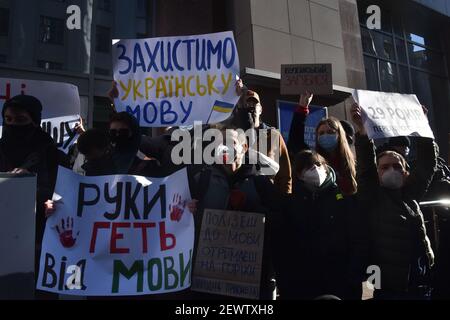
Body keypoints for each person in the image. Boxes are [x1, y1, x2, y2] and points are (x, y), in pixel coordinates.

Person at [351, 103, 436, 300]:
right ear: (377, 173)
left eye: (397, 166)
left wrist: (423, 128)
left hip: (416, 284)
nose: (391, 170)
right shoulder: (371, 196)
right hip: (380, 285)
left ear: (406, 173)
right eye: (385, 167)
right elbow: (365, 168)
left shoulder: (410, 196)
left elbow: (427, 165)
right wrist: (362, 132)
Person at [188, 128, 281, 299]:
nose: (224, 147)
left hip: (250, 281)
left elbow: (279, 221)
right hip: (208, 280)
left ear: (244, 148)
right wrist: (188, 210)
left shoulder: (261, 183)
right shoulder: (202, 179)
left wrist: (249, 205)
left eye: (231, 143)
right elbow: (183, 220)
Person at [273, 150, 367, 300]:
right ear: (298, 174)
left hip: (338, 282)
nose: (315, 169)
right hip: (300, 284)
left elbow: (357, 239)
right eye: (307, 167)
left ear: (326, 167)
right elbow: (283, 244)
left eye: (318, 164)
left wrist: (353, 277)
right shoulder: (290, 202)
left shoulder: (342, 198)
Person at [288, 92, 357, 196]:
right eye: (321, 133)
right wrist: (302, 108)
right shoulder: (313, 160)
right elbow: (295, 140)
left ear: (340, 136)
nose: (325, 135)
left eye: (330, 132)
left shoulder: (352, 165)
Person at [230, 86, 292, 194]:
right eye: (247, 104)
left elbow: (285, 175)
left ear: (261, 109)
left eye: (255, 104)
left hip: (267, 198)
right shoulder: (232, 135)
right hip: (238, 197)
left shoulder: (273, 136)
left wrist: (285, 200)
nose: (251, 107)